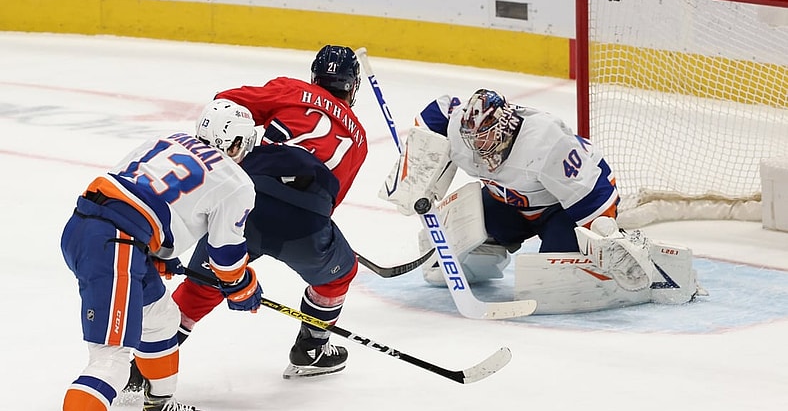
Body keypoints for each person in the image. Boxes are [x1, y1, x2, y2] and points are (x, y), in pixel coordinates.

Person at [123, 45, 367, 388]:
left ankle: (140, 372)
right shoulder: (359, 138)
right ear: (352, 86)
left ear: (315, 76)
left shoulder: (292, 89)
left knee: (201, 287)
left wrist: (255, 127)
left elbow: (225, 103)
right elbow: (331, 201)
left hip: (244, 200)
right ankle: (311, 349)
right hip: (305, 223)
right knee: (339, 275)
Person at [61, 99, 260, 411]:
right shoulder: (236, 182)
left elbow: (130, 191)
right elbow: (224, 256)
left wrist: (154, 250)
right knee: (110, 361)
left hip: (87, 227)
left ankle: (160, 403)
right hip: (117, 245)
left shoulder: (167, 139)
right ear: (236, 142)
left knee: (161, 318)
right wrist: (242, 285)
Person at [381, 89, 651, 292]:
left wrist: (605, 241)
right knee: (444, 264)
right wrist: (415, 177)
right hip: (509, 202)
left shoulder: (545, 142)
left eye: (483, 137)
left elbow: (593, 197)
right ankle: (493, 248)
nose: (475, 146)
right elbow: (436, 114)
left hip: (563, 209)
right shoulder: (459, 129)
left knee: (549, 285)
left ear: (504, 127)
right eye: (470, 138)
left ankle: (613, 253)